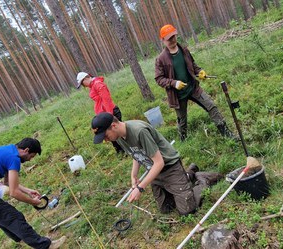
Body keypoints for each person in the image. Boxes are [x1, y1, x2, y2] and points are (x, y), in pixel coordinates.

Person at [91, 112, 222, 215]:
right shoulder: (118, 137)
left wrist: (140, 188)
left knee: (187, 210)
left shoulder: (139, 131)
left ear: (113, 126)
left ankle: (202, 179)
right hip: (154, 172)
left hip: (169, 167)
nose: (106, 140)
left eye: (105, 136)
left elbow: (159, 163)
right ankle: (188, 175)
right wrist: (133, 175)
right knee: (166, 208)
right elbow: (135, 154)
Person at [0, 138, 66, 249]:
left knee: (3, 218)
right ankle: (46, 246)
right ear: (26, 150)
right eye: (31, 156)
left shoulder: (9, 150)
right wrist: (32, 201)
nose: (30, 160)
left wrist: (27, 191)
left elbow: (7, 182)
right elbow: (14, 193)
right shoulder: (13, 158)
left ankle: (25, 239)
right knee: (13, 217)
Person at [155, 24, 235, 141]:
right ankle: (184, 140)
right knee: (182, 120)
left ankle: (225, 132)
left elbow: (193, 65)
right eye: (169, 39)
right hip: (178, 96)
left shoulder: (184, 50)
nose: (172, 40)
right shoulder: (161, 59)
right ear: (162, 40)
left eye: (173, 37)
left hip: (193, 88)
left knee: (211, 106)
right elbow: (159, 78)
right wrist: (173, 83)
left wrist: (200, 71)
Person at [76, 72, 124, 153]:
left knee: (116, 132)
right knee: (109, 134)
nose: (84, 86)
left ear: (86, 78)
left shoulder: (98, 84)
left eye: (82, 83)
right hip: (105, 115)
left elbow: (106, 100)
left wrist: (110, 116)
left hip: (110, 113)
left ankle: (126, 150)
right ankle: (120, 151)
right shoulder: (93, 86)